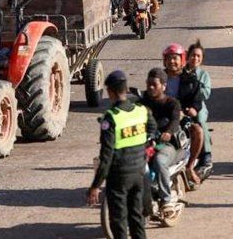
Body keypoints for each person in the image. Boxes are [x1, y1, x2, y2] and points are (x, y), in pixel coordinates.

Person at [87, 70, 156, 239]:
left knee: (119, 222)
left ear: (110, 92)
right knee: (137, 218)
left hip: (119, 177)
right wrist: (144, 145)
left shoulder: (111, 118)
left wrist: (95, 186)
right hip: (139, 172)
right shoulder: (141, 111)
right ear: (125, 89)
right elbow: (153, 128)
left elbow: (106, 157)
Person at [138, 68, 184, 213]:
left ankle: (166, 200)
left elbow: (175, 120)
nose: (151, 87)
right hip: (145, 143)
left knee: (159, 161)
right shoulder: (141, 103)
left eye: (154, 84)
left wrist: (168, 132)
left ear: (164, 86)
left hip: (166, 145)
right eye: (149, 84)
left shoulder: (172, 103)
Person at [163, 44, 204, 185]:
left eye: (175, 58)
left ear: (182, 60)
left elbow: (197, 101)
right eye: (169, 58)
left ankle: (190, 166)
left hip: (182, 118)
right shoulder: (158, 77)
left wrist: (193, 109)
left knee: (198, 131)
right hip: (161, 117)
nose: (172, 61)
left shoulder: (190, 80)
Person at [185, 42, 213, 174]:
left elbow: (206, 94)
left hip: (198, 105)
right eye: (193, 55)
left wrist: (194, 87)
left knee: (200, 121)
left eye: (198, 56)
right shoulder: (181, 72)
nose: (195, 58)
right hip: (182, 104)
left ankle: (206, 155)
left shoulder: (203, 75)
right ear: (187, 56)